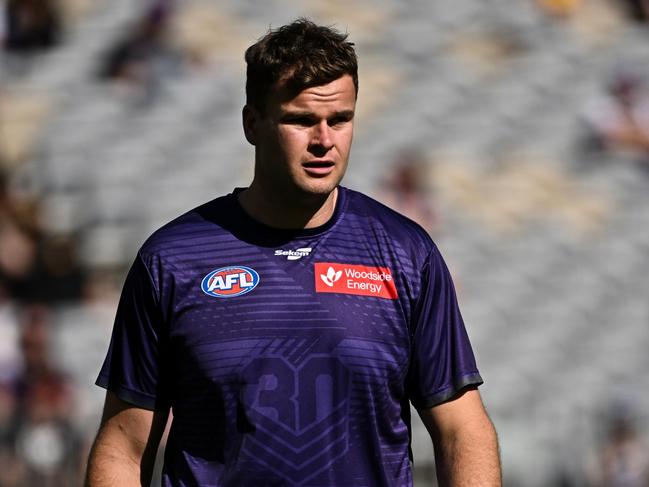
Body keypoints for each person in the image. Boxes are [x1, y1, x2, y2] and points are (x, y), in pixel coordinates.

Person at [85, 18, 501, 486]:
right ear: (252, 123)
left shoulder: (405, 255)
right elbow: (123, 445)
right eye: (301, 120)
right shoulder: (174, 260)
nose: (324, 140)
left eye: (340, 119)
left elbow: (462, 431)